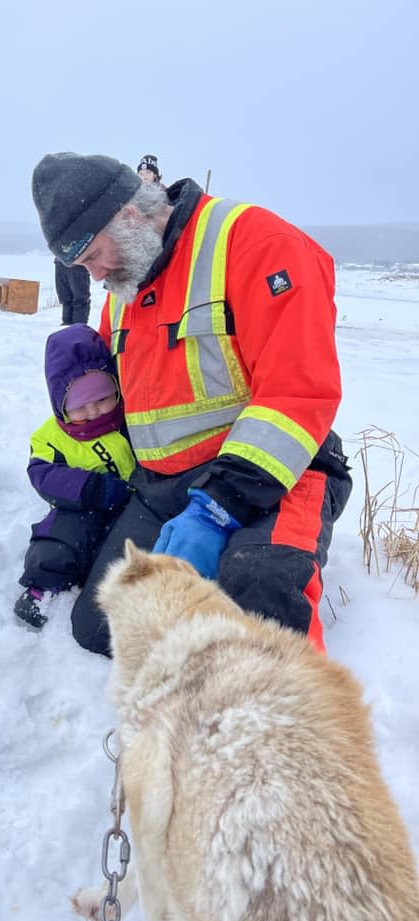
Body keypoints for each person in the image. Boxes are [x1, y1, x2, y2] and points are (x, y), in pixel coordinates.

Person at [31, 152, 352, 657]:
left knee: (257, 588)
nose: (93, 277)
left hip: (279, 473)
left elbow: (298, 392)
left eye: (92, 256)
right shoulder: (126, 282)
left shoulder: (257, 245)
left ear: (128, 215)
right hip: (167, 489)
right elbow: (108, 392)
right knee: (102, 625)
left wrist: (216, 512)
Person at [14, 324, 135, 628]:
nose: (94, 410)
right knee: (62, 536)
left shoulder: (130, 419)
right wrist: (91, 490)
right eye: (81, 405)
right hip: (84, 506)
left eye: (103, 398)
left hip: (134, 506)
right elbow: (43, 474)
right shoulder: (50, 437)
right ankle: (43, 587)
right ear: (61, 403)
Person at [54, 257, 91, 325]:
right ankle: (75, 325)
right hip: (72, 261)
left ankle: (74, 325)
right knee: (73, 298)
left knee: (73, 298)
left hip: (66, 261)